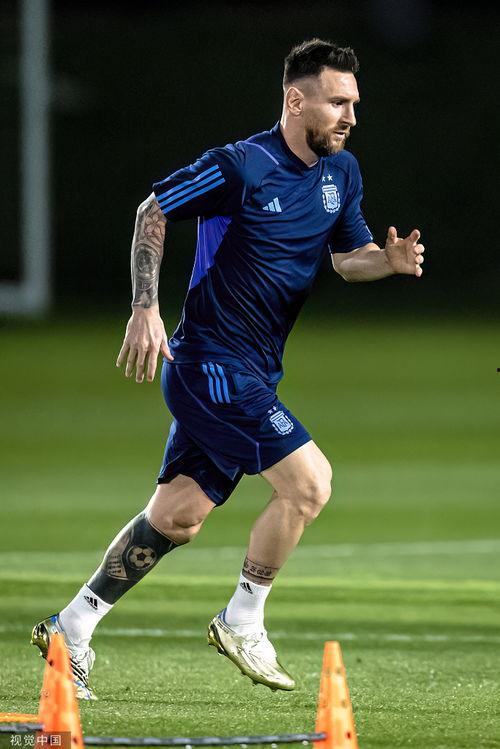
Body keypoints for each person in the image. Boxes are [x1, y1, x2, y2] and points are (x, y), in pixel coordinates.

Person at [31, 38, 424, 700]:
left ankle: (71, 627)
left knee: (179, 516)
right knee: (310, 484)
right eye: (337, 102)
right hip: (209, 363)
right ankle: (242, 617)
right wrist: (144, 307)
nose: (351, 116)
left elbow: (345, 256)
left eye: (354, 103)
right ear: (295, 100)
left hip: (254, 371)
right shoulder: (242, 166)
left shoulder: (341, 173)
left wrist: (383, 262)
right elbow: (153, 209)